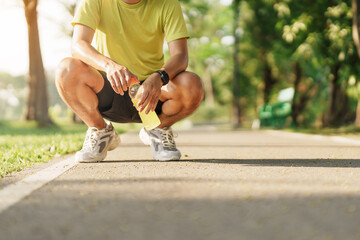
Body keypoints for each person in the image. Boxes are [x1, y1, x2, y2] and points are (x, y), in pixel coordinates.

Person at [55, 0, 204, 162]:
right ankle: (100, 130)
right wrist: (109, 66)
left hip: (152, 95)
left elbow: (180, 56)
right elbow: (78, 44)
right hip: (108, 89)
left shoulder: (167, 3)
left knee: (192, 84)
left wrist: (159, 77)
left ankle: (158, 129)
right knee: (66, 69)